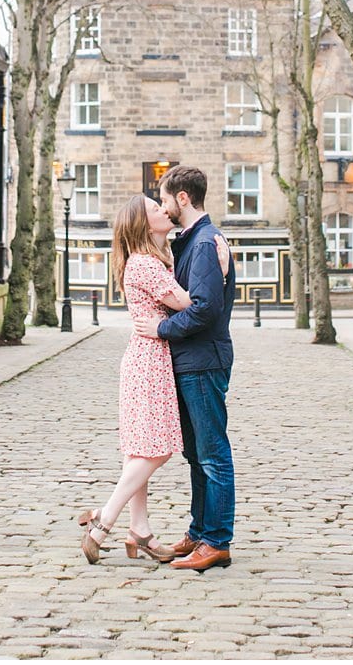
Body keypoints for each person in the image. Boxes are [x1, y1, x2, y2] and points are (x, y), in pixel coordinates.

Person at [131, 164, 236, 572]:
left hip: (204, 360)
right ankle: (198, 531)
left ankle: (217, 540)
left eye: (163, 199)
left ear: (183, 199)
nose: (162, 206)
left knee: (212, 454)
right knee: (195, 454)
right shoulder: (190, 241)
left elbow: (206, 309)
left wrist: (160, 327)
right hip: (189, 361)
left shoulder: (207, 242)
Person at [77, 194, 192, 565]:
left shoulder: (151, 260)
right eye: (155, 208)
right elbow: (188, 304)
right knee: (159, 448)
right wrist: (220, 272)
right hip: (150, 359)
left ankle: (139, 530)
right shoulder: (145, 264)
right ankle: (104, 521)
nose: (164, 209)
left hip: (146, 357)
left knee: (140, 449)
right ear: (144, 224)